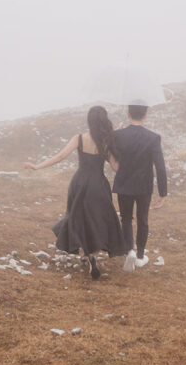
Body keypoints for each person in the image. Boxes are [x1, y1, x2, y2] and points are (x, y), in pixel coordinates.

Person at [23, 106, 126, 279]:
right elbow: (116, 168)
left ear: (89, 120)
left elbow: (60, 156)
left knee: (79, 216)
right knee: (98, 218)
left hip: (79, 183)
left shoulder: (79, 138)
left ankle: (87, 254)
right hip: (99, 185)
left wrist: (36, 166)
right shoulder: (106, 141)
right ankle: (92, 253)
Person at [113, 104, 167, 269]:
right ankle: (140, 256)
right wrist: (163, 193)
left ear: (128, 113)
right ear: (145, 115)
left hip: (124, 183)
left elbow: (109, 153)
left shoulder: (118, 135)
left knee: (126, 219)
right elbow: (160, 166)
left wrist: (115, 133)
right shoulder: (153, 137)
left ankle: (129, 250)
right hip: (144, 186)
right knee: (143, 220)